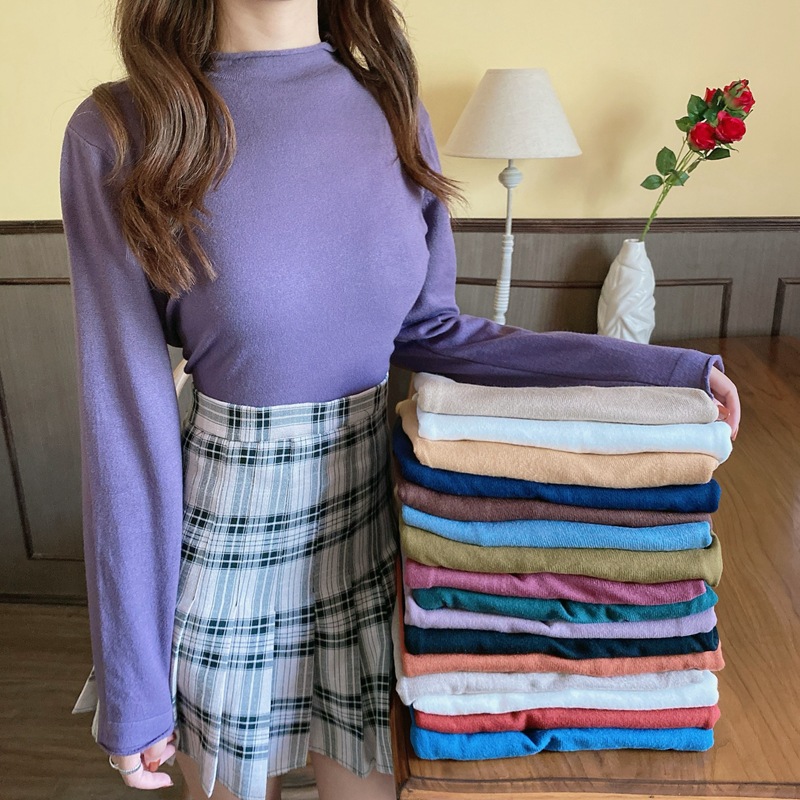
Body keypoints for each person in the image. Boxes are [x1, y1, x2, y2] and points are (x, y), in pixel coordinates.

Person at [59, 0, 741, 798]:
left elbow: (437, 333)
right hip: (228, 550)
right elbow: (124, 421)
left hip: (375, 535)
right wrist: (134, 687)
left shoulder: (390, 108)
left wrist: (662, 374)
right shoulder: (120, 132)